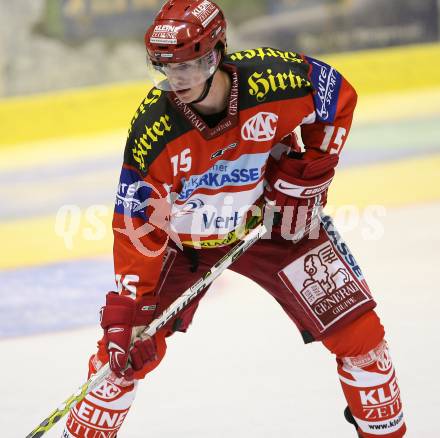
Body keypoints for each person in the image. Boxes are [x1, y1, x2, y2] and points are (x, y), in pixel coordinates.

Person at [62, 1, 406, 437]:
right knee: (122, 360)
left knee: (364, 341)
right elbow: (138, 223)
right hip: (183, 245)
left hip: (274, 225)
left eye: (189, 65)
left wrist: (308, 177)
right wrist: (129, 312)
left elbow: (338, 96)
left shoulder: (275, 79)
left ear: (217, 53)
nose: (177, 79)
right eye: (166, 67)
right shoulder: (155, 130)